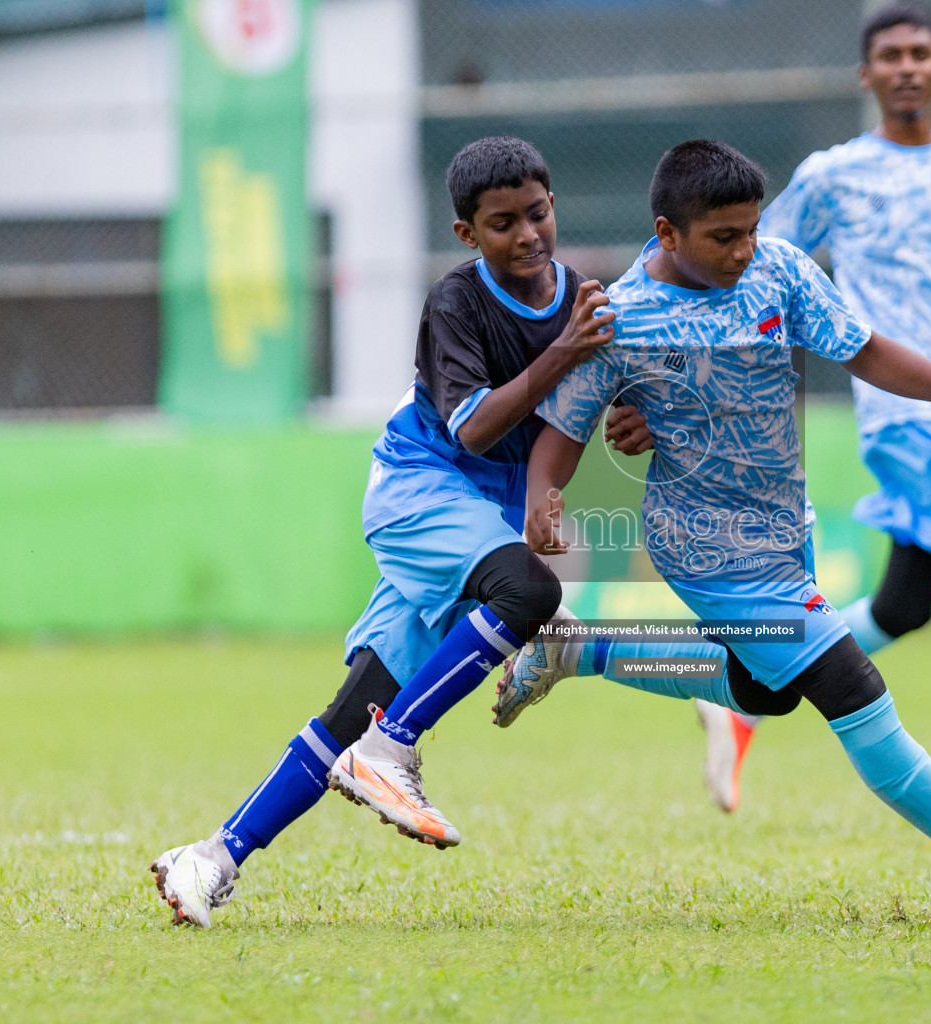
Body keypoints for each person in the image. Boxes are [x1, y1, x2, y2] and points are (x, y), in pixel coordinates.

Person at [502, 4, 931, 826]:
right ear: (867, 74)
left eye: (923, 52)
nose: (908, 67)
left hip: (923, 408)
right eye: (890, 54)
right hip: (894, 419)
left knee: (893, 612)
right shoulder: (827, 177)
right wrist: (646, 389)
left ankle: (673, 680)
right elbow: (711, 267)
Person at [518, 139, 931, 917]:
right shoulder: (622, 318)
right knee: (851, 685)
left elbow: (865, 350)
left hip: (784, 531)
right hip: (706, 549)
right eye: (724, 237)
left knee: (762, 691)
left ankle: (582, 647)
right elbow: (562, 434)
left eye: (750, 229)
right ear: (668, 233)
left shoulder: (778, 268)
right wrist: (545, 493)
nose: (745, 249)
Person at [149, 136, 653, 927]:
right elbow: (479, 428)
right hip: (422, 489)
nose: (526, 235)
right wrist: (564, 353)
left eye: (537, 213)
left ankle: (209, 858)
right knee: (529, 592)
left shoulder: (582, 301)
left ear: (554, 204)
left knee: (357, 708)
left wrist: (629, 423)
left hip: (482, 516)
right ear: (467, 235)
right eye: (501, 223)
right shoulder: (458, 303)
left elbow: (582, 407)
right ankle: (393, 753)